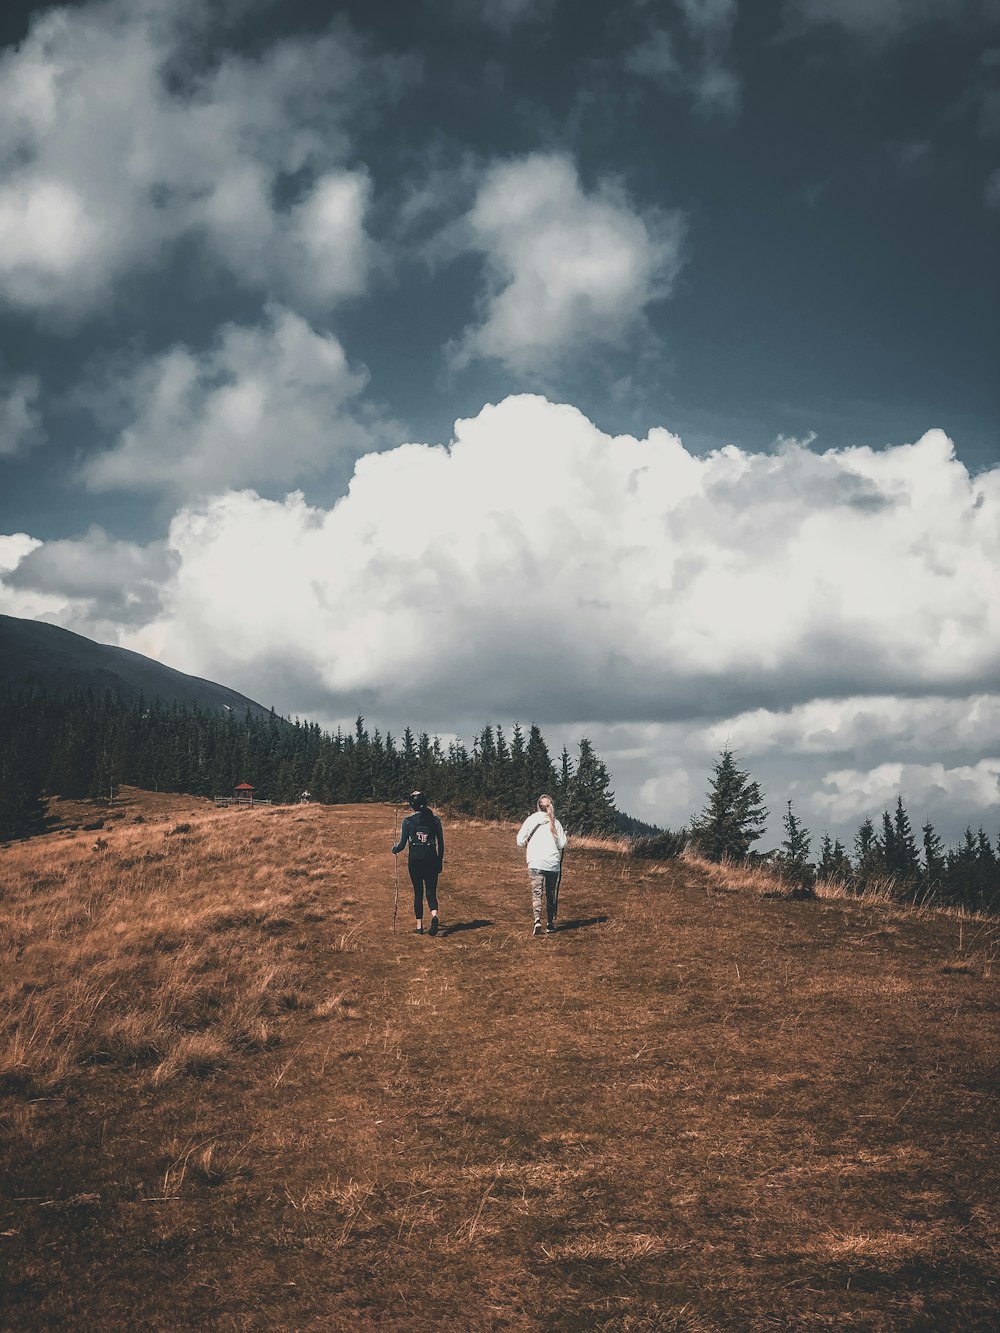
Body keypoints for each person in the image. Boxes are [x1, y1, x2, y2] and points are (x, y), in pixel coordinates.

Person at [392, 791, 445, 935]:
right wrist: (439, 861)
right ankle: (434, 916)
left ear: (412, 804)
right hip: (432, 860)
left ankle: (419, 926)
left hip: (415, 862)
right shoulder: (435, 820)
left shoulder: (408, 822)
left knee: (418, 893)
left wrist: (394, 849)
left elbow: (402, 845)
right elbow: (441, 844)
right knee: (431, 892)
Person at [516, 794, 567, 936]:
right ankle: (550, 923)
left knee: (536, 893)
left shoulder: (531, 820)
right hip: (552, 863)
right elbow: (563, 843)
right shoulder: (555, 822)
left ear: (537, 806)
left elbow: (520, 841)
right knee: (550, 894)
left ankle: (537, 920)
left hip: (535, 861)